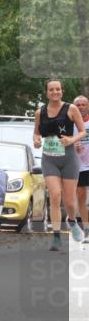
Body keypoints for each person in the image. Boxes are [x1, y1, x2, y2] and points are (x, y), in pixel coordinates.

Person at [33, 81, 87, 249]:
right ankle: (56, 237)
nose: (55, 92)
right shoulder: (40, 112)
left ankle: (72, 221)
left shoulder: (71, 109)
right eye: (51, 89)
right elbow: (36, 133)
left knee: (69, 202)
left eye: (58, 89)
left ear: (62, 91)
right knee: (55, 195)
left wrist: (71, 139)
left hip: (69, 159)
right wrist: (36, 141)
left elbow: (83, 131)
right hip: (49, 159)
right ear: (47, 93)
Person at [75, 95, 89, 242]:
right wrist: (73, 145)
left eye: (83, 104)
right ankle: (87, 230)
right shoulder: (70, 123)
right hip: (79, 167)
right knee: (81, 200)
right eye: (78, 105)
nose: (80, 107)